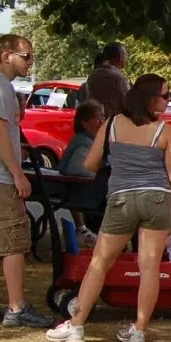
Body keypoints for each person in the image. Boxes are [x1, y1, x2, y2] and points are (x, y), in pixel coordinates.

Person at [45, 73, 171, 342]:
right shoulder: (166, 131)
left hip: (122, 198)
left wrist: (114, 164)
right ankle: (138, 332)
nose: (169, 100)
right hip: (157, 200)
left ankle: (76, 326)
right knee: (149, 266)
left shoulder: (112, 125)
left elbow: (90, 163)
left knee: (99, 262)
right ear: (149, 98)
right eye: (165, 95)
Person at [0, 34, 52, 328]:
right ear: (7, 55)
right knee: (14, 241)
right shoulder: (1, 89)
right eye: (26, 56)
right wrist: (18, 174)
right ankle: (17, 308)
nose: (30, 62)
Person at [60, 98, 107, 245]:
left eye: (102, 118)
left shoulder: (86, 140)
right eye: (98, 118)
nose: (102, 122)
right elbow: (80, 169)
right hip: (80, 192)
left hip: (77, 190)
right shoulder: (85, 142)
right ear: (85, 122)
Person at [81, 42, 130, 123]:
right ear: (120, 56)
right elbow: (128, 104)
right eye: (125, 54)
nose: (126, 57)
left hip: (96, 121)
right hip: (114, 124)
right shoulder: (118, 77)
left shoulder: (94, 75)